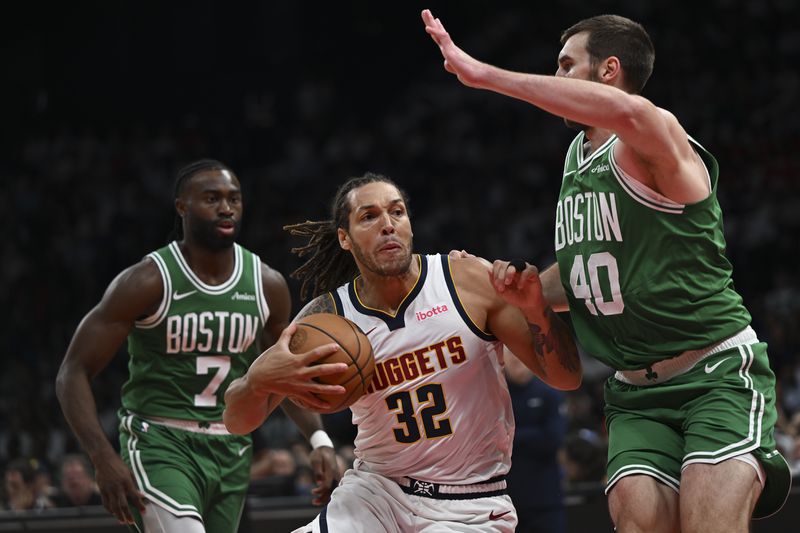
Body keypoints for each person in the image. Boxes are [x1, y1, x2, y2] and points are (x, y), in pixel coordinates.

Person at [422, 9, 791, 532]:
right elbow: (587, 275)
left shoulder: (653, 135)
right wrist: (522, 293)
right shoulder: (578, 156)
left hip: (714, 373)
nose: (556, 78)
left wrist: (482, 73)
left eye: (567, 65)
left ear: (609, 70)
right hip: (634, 392)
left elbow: (629, 114)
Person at [223, 172, 582, 532]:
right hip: (376, 493)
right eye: (369, 216)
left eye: (397, 212)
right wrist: (257, 381)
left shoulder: (467, 281)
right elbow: (236, 420)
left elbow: (566, 377)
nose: (388, 225)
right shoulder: (326, 318)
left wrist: (537, 311)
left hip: (469, 502)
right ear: (344, 239)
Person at [56, 159, 343, 532]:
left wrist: (318, 438)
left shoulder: (266, 284)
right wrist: (102, 456)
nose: (226, 207)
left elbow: (285, 373)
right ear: (182, 207)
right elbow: (72, 371)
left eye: (233, 199)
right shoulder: (147, 281)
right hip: (159, 441)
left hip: (231, 446)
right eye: (211, 198)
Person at [503, 348, 566, 533]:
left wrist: (511, 436)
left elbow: (553, 439)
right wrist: (533, 434)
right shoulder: (497, 395)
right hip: (507, 502)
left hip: (546, 501)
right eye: (511, 354)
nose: (516, 357)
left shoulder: (549, 392)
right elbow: (489, 441)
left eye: (520, 354)